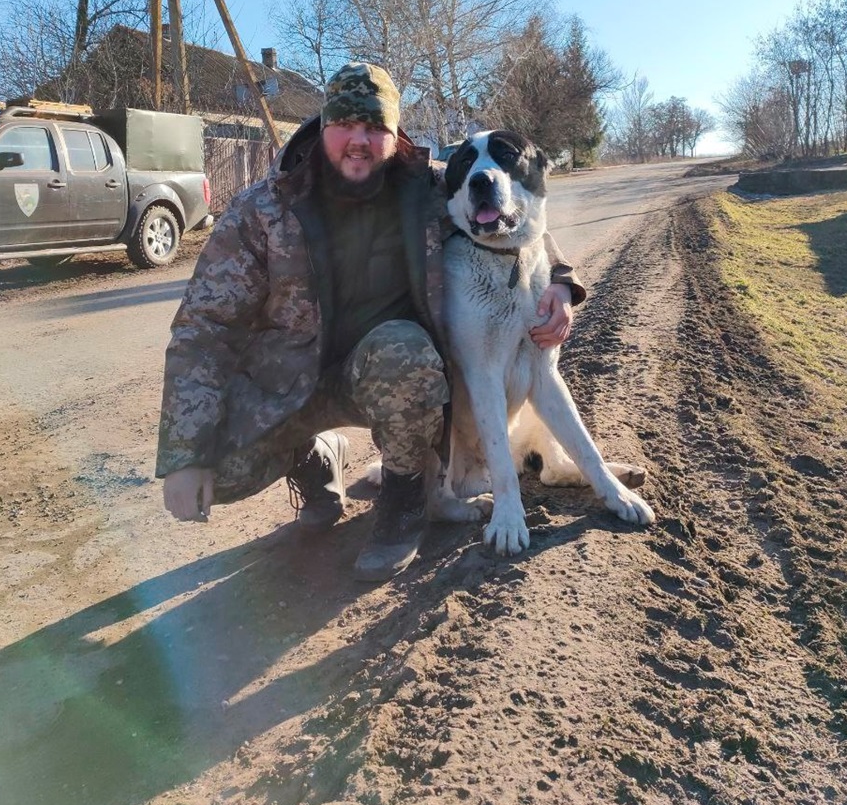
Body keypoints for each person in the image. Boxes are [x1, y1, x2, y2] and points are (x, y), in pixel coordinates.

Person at [156, 62, 584, 582]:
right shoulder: (262, 210)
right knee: (216, 473)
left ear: (394, 133)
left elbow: (513, 223)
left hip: (387, 373)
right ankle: (314, 459)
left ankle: (405, 497)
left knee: (405, 352)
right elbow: (204, 328)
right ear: (322, 126)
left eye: (375, 127)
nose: (359, 140)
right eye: (346, 123)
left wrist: (561, 280)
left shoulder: (425, 189)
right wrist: (186, 453)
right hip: (287, 384)